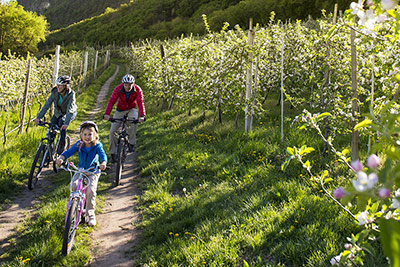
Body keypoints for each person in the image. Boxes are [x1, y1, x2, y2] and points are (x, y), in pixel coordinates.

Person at [56, 121, 107, 226]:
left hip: (93, 171)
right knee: (74, 185)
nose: (87, 137)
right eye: (85, 134)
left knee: (90, 191)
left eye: (90, 134)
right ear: (81, 135)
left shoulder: (97, 146)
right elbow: (69, 152)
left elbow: (103, 155)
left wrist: (103, 163)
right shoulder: (79, 145)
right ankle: (73, 205)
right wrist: (61, 157)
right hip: (81, 169)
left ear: (95, 135)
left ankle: (90, 213)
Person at [103, 74, 146, 162]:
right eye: (126, 85)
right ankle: (113, 153)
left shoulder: (137, 89)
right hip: (120, 110)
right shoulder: (118, 89)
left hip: (132, 109)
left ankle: (131, 143)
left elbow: (140, 102)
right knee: (112, 131)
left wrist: (142, 115)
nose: (128, 87)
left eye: (130, 85)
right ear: (123, 84)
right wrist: (107, 114)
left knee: (133, 122)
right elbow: (111, 101)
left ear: (133, 84)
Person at [34, 75, 77, 154]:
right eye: (57, 85)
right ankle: (49, 149)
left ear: (65, 86)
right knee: (52, 126)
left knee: (62, 123)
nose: (58, 87)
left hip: (69, 114)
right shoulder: (55, 92)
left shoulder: (71, 94)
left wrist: (66, 123)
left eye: (60, 85)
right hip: (58, 113)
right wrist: (39, 117)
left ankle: (61, 146)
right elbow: (47, 104)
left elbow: (70, 109)